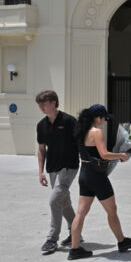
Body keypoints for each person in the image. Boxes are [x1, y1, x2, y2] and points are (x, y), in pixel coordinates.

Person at [68, 104, 131, 260]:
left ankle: (74, 249)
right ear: (98, 117)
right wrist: (121, 155)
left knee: (80, 213)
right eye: (105, 118)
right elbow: (104, 154)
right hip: (97, 177)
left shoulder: (81, 131)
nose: (106, 120)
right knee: (111, 210)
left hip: (84, 174)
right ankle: (122, 241)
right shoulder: (96, 132)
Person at [35, 90, 80, 253]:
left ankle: (52, 239)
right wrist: (40, 172)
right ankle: (76, 231)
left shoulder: (69, 121)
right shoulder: (41, 125)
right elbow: (41, 149)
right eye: (39, 105)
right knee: (64, 202)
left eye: (44, 104)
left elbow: (81, 142)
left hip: (69, 167)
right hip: (52, 168)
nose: (41, 108)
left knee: (55, 200)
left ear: (54, 102)